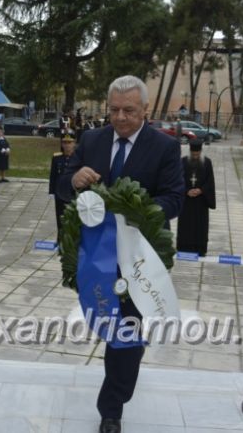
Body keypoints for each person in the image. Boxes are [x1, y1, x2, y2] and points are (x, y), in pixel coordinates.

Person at [57, 75, 184, 433]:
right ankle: (126, 366)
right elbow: (62, 186)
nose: (120, 117)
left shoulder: (164, 147)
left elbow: (173, 200)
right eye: (114, 109)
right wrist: (74, 179)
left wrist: (128, 209)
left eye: (129, 110)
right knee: (110, 325)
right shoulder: (92, 139)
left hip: (140, 257)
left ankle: (111, 408)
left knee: (125, 333)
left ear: (145, 109)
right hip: (95, 256)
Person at [176, 139, 216, 256]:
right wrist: (186, 191)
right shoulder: (183, 162)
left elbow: (210, 181)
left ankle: (200, 248)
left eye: (197, 154)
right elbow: (177, 180)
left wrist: (201, 190)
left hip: (201, 201)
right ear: (190, 152)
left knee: (200, 225)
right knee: (185, 225)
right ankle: (184, 247)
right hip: (187, 200)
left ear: (201, 152)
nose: (195, 156)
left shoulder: (207, 163)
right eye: (193, 154)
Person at [49, 136, 76, 246]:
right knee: (60, 216)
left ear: (74, 143)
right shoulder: (57, 158)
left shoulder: (78, 158)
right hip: (59, 193)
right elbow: (53, 176)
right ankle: (60, 239)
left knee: (73, 217)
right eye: (64, 142)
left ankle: (72, 239)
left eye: (69, 142)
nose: (67, 145)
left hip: (73, 192)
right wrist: (52, 191)